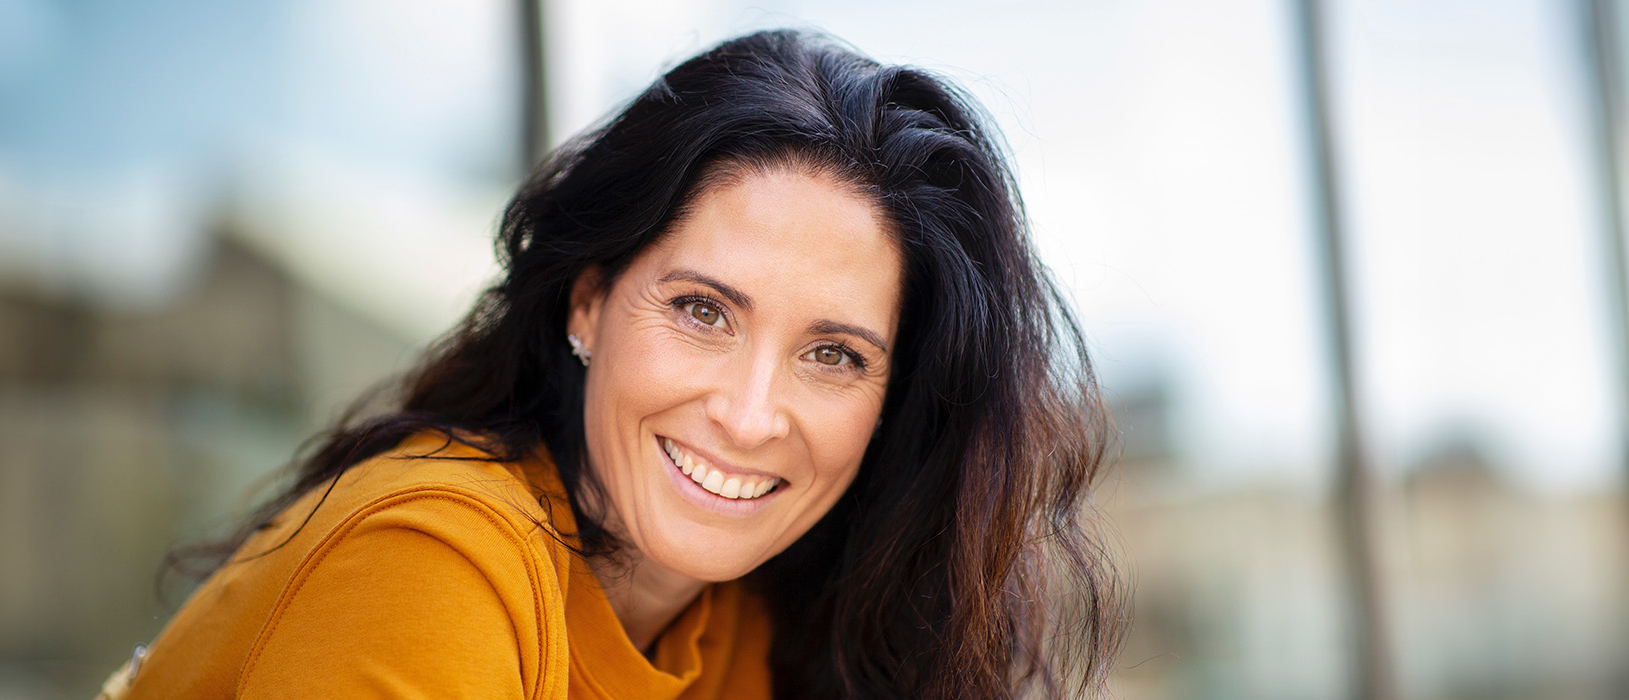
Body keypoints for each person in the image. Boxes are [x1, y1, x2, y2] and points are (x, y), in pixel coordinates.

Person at [100, 28, 1122, 700]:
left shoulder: (742, 633)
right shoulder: (431, 559)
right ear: (587, 298)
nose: (750, 411)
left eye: (831, 354)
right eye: (701, 311)